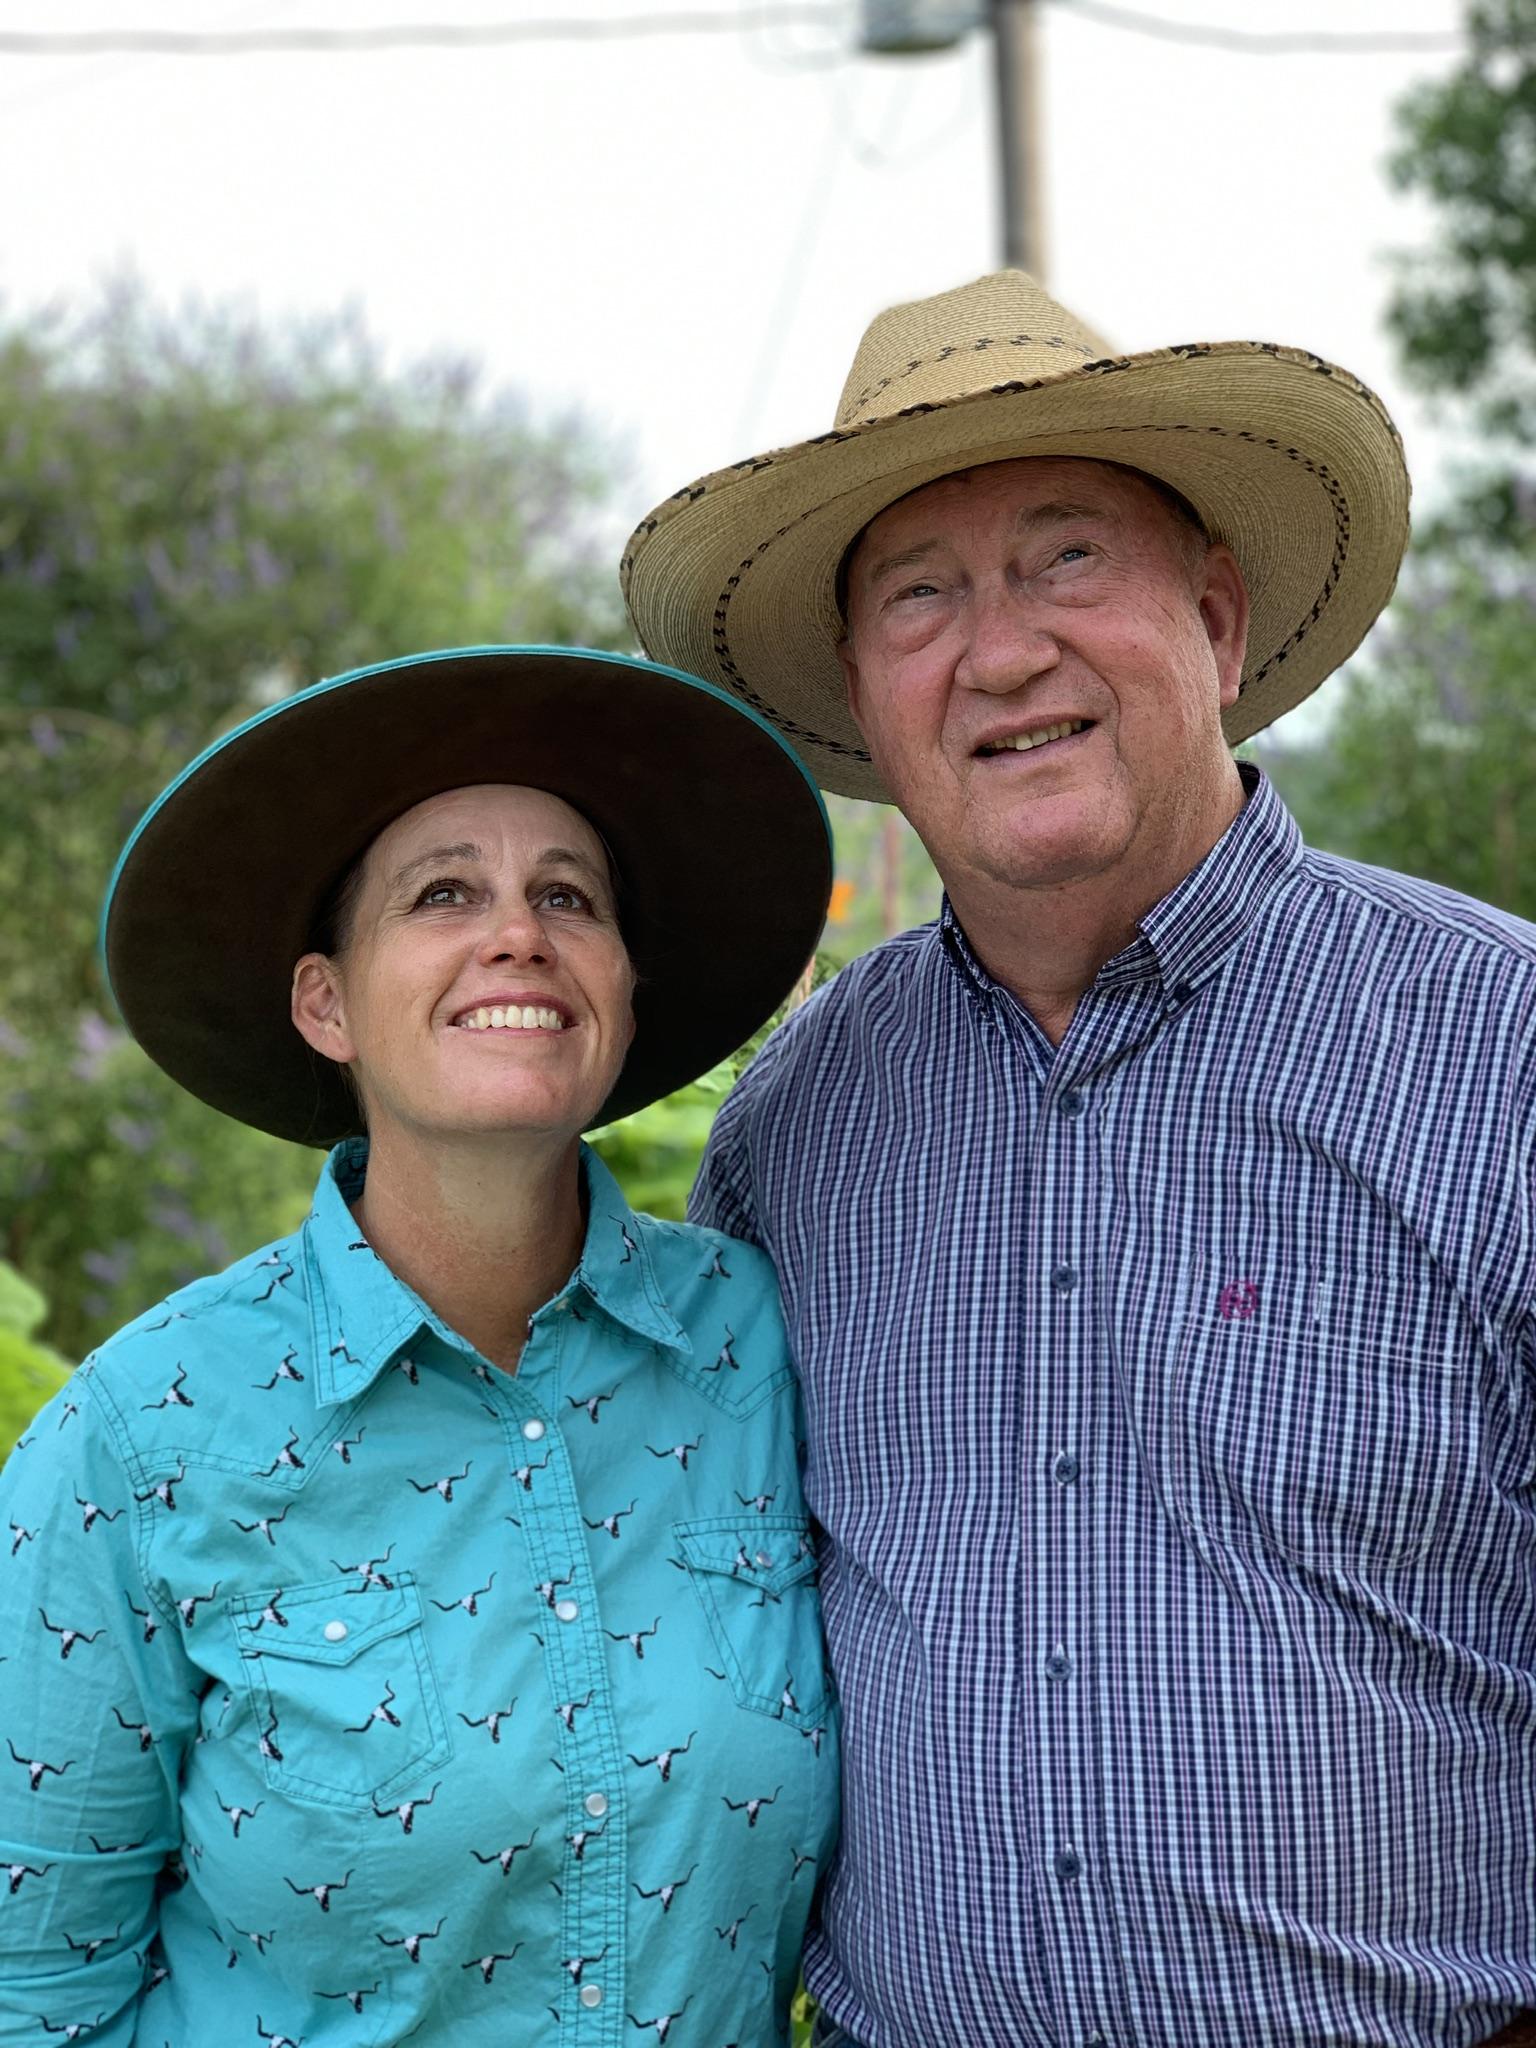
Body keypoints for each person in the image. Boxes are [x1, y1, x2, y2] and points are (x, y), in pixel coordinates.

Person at [621, 270, 1536, 2048]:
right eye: (919, 595)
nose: (1001, 652)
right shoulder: (796, 1128)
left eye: (1067, 560)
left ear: (1216, 618)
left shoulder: (1498, 1051)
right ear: (866, 696)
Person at [0, 644, 838, 2046]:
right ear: (325, 1004)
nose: (518, 934)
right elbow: (31, 1991)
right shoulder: (144, 1433)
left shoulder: (757, 1345)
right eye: (444, 893)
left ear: (624, 995)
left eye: (567, 897)